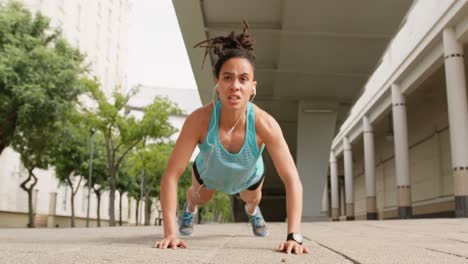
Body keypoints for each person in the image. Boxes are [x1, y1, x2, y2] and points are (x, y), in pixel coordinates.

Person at [154, 21, 310, 255]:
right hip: (209, 172)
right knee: (199, 198)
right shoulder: (199, 120)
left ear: (252, 87)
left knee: (251, 199)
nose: (235, 86)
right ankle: (189, 208)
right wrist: (169, 233)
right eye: (227, 78)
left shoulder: (265, 124)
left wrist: (294, 237)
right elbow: (171, 175)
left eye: (243, 79)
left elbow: (292, 179)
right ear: (217, 84)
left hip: (248, 176)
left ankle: (253, 213)